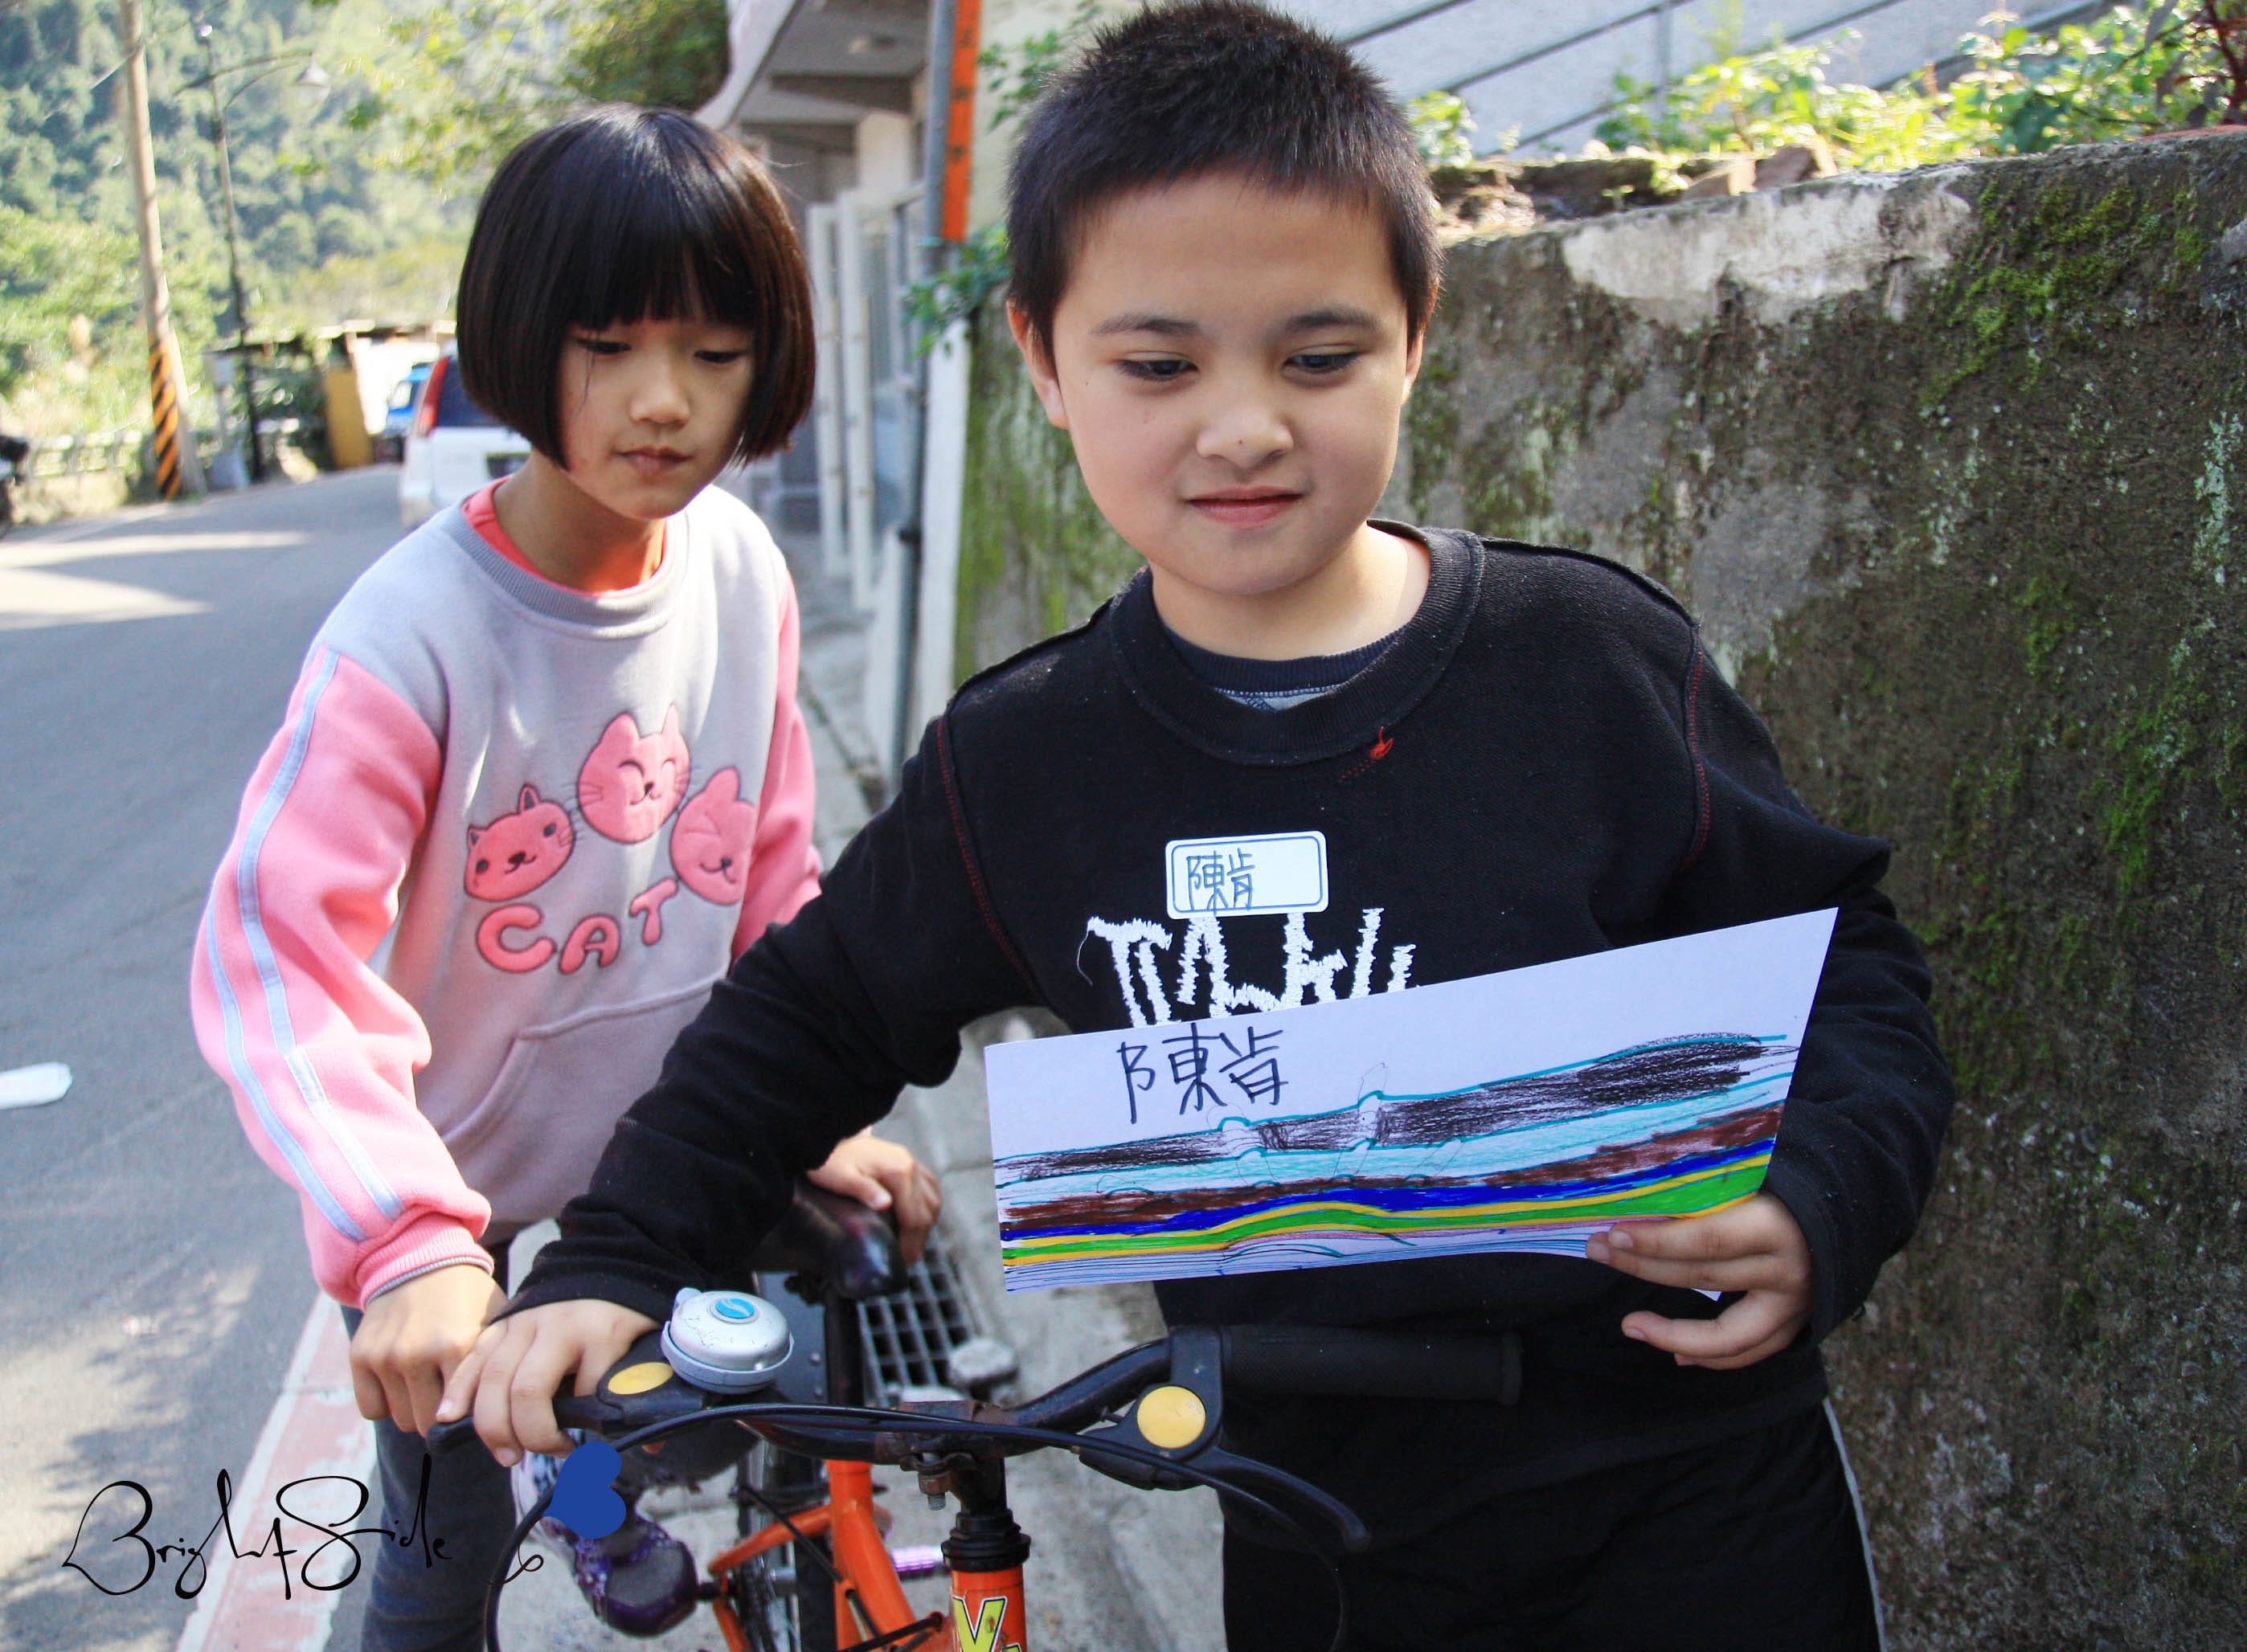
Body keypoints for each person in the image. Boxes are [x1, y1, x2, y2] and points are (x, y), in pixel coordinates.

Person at [441, 8, 1953, 1648]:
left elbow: (1844, 968)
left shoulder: (1589, 664)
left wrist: (1822, 1194)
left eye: (1317, 357)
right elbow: (805, 1017)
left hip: (1702, 1499)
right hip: (1316, 1533)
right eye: (1159, 366)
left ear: (1415, 336)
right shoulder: (1024, 766)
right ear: (1042, 357)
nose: (1243, 426)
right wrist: (612, 1260)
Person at [190, 107, 940, 1650]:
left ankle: (596, 1496)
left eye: (715, 352)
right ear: (522, 342)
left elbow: (771, 876)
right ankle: (546, 1500)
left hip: (670, 1146)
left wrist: (813, 1105)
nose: (663, 400)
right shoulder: (408, 637)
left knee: (735, 1405)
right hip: (446, 1188)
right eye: (607, 346)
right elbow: (277, 962)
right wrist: (403, 1241)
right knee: (438, 1566)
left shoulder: (740, 569)